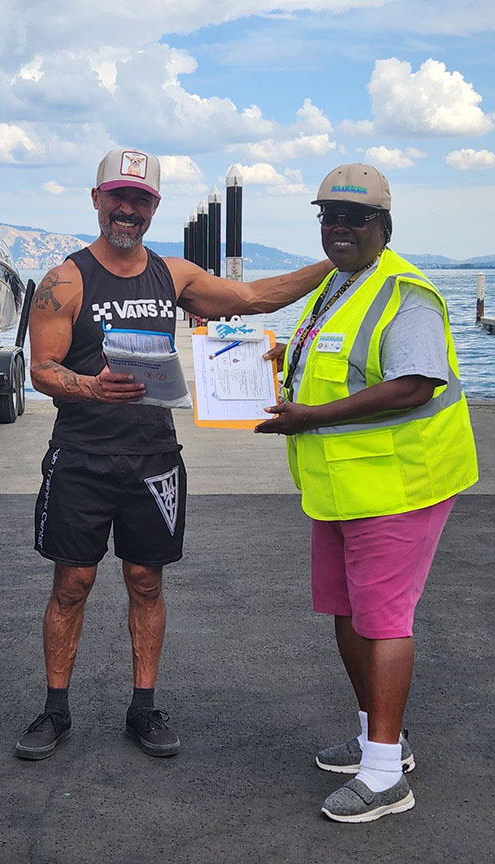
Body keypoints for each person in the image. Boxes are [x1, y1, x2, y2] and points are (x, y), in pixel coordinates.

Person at [16, 147, 336, 762]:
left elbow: (253, 299)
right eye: (118, 197)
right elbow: (42, 370)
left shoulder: (175, 275)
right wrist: (92, 387)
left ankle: (144, 707)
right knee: (71, 584)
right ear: (97, 199)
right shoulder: (66, 278)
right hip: (81, 454)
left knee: (145, 579)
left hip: (152, 455)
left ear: (154, 207)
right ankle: (55, 710)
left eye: (140, 200)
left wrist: (336, 263)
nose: (127, 209)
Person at [252, 163, 477, 822]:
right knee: (346, 612)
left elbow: (414, 384)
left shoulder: (406, 292)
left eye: (356, 218)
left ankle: (385, 778)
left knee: (382, 621)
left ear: (384, 225)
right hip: (341, 484)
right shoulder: (339, 286)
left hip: (400, 484)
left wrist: (309, 418)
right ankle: (381, 740)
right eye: (330, 216)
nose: (340, 228)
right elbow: (335, 368)